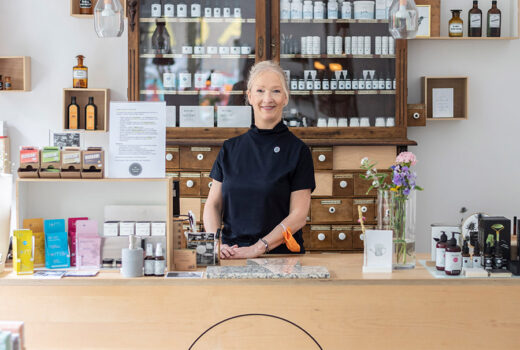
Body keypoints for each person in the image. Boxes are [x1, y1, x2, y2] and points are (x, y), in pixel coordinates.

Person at [203, 60, 315, 259]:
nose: (268, 99)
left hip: (279, 257)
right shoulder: (230, 149)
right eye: (261, 91)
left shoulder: (298, 151)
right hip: (231, 255)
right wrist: (215, 243)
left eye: (276, 91)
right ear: (250, 96)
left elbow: (298, 216)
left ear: (286, 97)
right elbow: (212, 205)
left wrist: (258, 248)